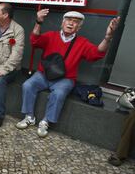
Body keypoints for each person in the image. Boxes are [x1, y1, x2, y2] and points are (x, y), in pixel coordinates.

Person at [16, 9, 120, 138]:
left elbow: (97, 53)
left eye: (75, 22)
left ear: (79, 27)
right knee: (28, 85)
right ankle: (29, 116)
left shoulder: (82, 42)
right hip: (44, 74)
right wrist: (38, 22)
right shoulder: (51, 35)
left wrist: (108, 37)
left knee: (59, 93)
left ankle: (46, 121)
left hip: (65, 78)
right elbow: (34, 40)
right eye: (68, 20)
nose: (71, 23)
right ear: (62, 23)